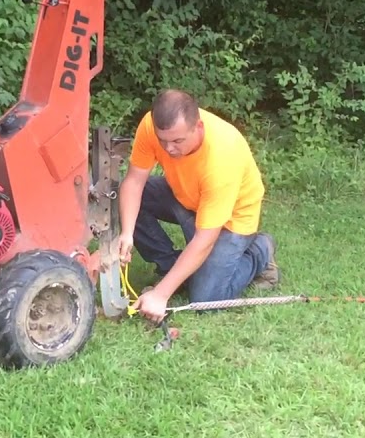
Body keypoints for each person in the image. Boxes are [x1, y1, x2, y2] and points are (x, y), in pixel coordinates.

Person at [114, 89, 279, 323]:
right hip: (186, 194)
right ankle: (170, 268)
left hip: (233, 217)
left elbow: (205, 239)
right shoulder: (151, 126)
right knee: (129, 198)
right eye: (163, 141)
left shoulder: (222, 156)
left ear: (198, 128)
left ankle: (260, 250)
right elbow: (133, 182)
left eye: (178, 141)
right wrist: (127, 233)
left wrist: (161, 295)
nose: (169, 149)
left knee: (205, 299)